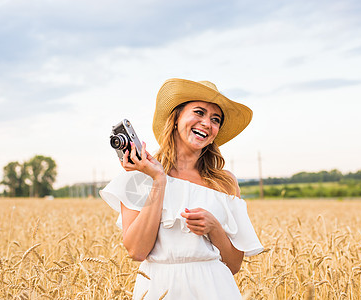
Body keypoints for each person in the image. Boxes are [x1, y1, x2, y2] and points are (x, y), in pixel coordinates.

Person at [100, 78, 264, 299]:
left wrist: (214, 228)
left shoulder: (224, 182)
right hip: (159, 289)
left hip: (216, 289)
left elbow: (234, 265)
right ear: (176, 118)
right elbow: (137, 251)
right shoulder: (138, 176)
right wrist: (158, 180)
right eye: (199, 112)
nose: (207, 123)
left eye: (215, 119)